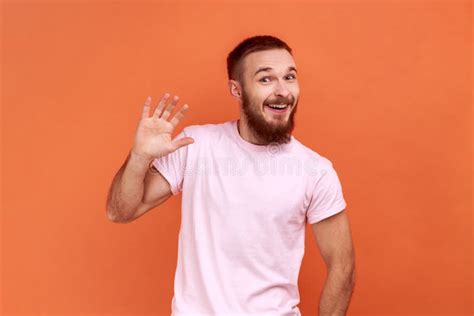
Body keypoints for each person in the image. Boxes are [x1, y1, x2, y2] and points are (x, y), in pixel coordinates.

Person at [106, 35, 356, 316]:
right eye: (265, 79)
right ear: (237, 90)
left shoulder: (315, 170)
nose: (282, 90)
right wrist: (140, 156)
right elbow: (121, 211)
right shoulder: (196, 146)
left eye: (289, 77)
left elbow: (342, 265)